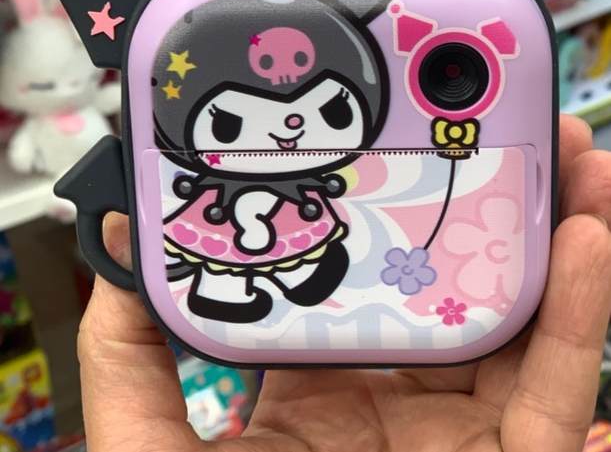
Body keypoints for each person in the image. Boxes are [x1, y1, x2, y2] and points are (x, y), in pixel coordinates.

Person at [79, 114, 611, 452]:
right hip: (232, 218)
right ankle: (247, 285)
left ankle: (288, 276)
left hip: (444, 309)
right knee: (230, 265)